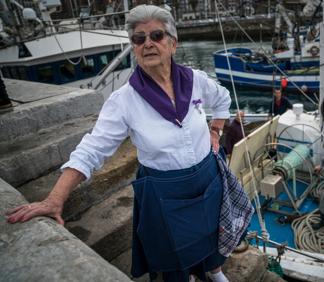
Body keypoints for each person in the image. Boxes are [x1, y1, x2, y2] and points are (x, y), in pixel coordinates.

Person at [6, 5, 235, 282]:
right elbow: (93, 148)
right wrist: (54, 199)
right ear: (134, 48)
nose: (147, 43)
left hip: (207, 177)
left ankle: (214, 270)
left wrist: (215, 130)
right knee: (175, 253)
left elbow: (222, 99)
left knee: (213, 230)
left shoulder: (196, 80)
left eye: (156, 36)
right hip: (164, 189)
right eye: (139, 39)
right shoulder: (124, 100)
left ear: (173, 44)